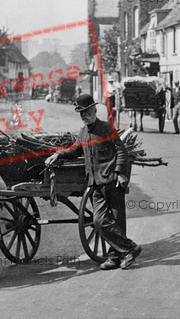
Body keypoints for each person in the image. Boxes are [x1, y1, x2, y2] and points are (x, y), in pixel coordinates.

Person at [45, 94, 142, 270]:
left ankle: (115, 256)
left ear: (95, 110)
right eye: (81, 113)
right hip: (94, 184)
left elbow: (121, 152)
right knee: (99, 221)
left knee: (117, 219)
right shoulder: (82, 133)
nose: (84, 115)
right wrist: (58, 154)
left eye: (87, 111)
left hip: (112, 180)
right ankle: (130, 248)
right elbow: (75, 151)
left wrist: (120, 173)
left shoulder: (106, 129)